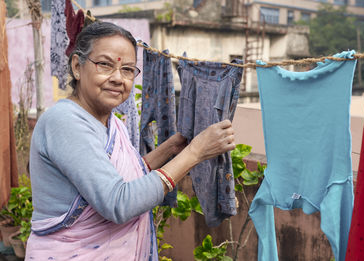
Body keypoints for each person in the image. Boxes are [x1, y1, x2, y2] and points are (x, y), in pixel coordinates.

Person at [25, 21, 235, 260]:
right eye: (104, 65)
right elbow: (119, 202)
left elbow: (121, 176)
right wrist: (194, 153)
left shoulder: (111, 121)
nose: (118, 78)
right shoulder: (64, 121)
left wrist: (170, 148)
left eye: (127, 70)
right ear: (77, 66)